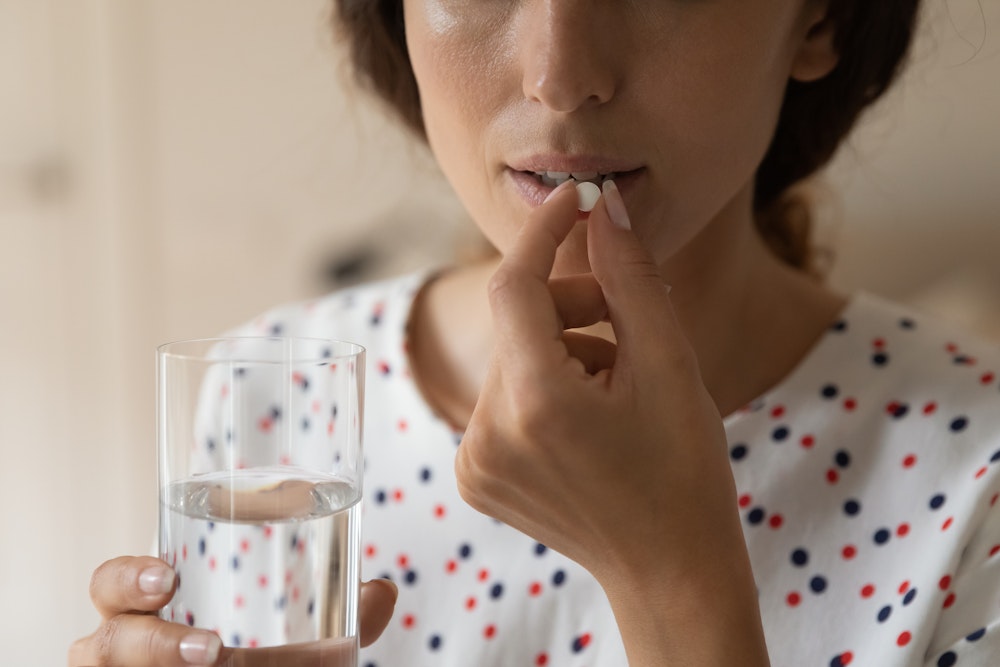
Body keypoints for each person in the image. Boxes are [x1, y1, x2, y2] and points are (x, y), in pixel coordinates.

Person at [71, 0, 1000, 665]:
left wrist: (673, 580)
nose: (560, 76)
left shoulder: (977, 466)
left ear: (820, 20)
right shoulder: (277, 388)